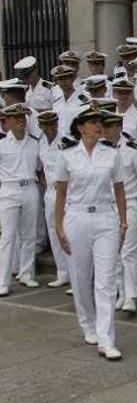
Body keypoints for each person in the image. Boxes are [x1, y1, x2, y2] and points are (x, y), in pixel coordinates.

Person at [55, 103, 127, 359]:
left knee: (105, 281)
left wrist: (123, 222)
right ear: (80, 127)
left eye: (100, 121)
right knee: (81, 277)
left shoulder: (111, 154)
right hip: (77, 217)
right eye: (92, 121)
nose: (98, 125)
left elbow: (119, 189)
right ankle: (87, 324)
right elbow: (61, 193)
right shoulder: (67, 155)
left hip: (106, 217)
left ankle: (106, 339)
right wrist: (58, 226)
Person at [100, 111, 137, 313]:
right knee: (113, 250)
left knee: (129, 250)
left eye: (110, 127)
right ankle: (121, 291)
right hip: (108, 204)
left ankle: (132, 295)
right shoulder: (100, 150)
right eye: (104, 127)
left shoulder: (133, 150)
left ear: (119, 127)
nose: (106, 131)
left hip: (130, 202)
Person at [0, 103, 42, 295]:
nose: (20, 121)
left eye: (22, 118)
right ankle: (3, 280)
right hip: (9, 189)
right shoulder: (1, 145)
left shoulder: (34, 142)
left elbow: (40, 170)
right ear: (6, 122)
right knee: (8, 237)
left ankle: (27, 273)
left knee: (29, 235)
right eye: (15, 118)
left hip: (30, 188)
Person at [36, 111, 69, 288]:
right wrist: (45, 183)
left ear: (57, 124)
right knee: (53, 231)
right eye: (46, 127)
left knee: (68, 232)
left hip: (65, 192)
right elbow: (40, 168)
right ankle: (62, 272)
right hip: (49, 191)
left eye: (52, 126)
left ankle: (74, 272)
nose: (49, 130)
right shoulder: (40, 142)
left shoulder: (66, 141)